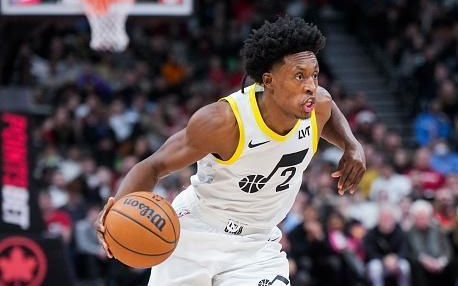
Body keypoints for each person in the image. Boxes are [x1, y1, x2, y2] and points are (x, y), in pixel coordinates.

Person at [96, 16, 366, 285]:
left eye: (314, 75)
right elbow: (153, 166)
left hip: (256, 244)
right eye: (299, 76)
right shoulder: (222, 122)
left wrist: (352, 145)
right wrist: (117, 210)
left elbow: (329, 112)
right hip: (196, 234)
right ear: (268, 81)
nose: (311, 85)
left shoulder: (317, 104)